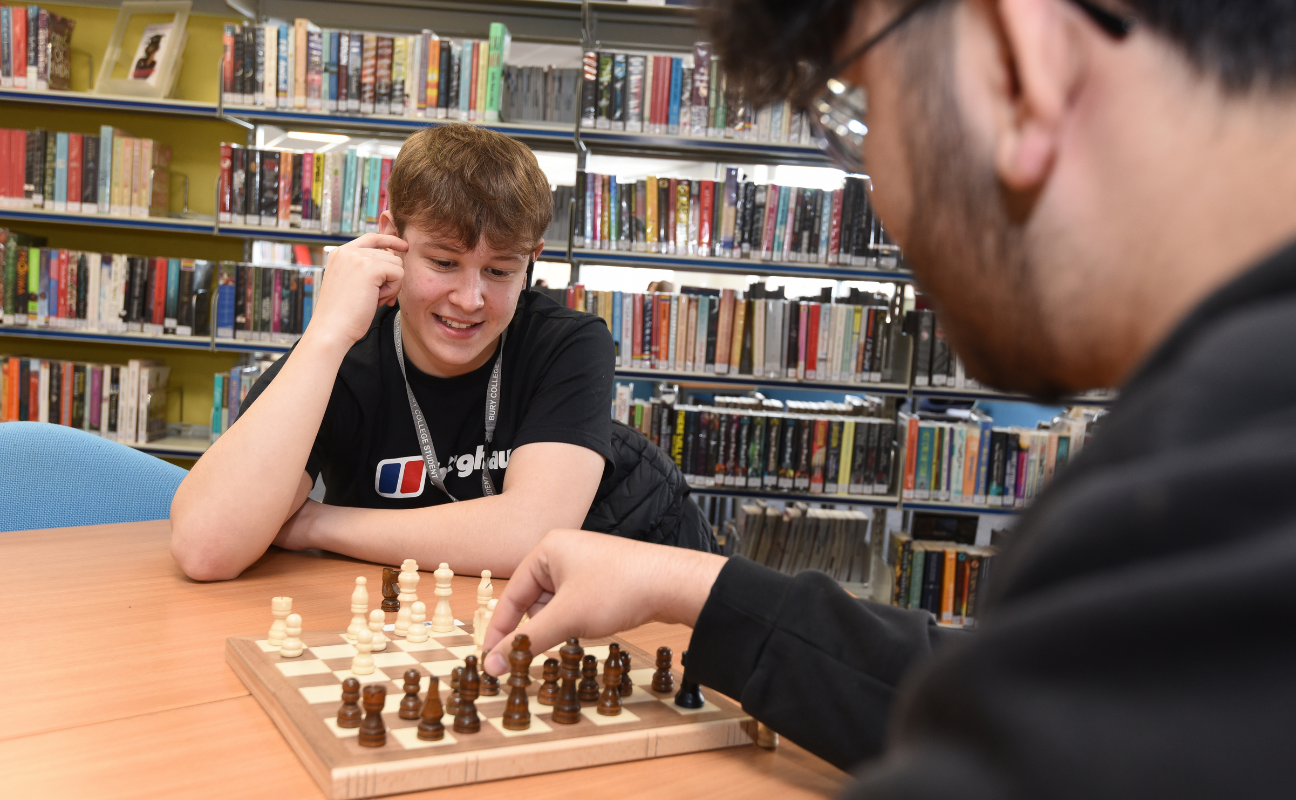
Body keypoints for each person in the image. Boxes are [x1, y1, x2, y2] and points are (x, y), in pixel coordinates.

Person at [485, 0, 1296, 796]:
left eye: (865, 112)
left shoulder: (1219, 496)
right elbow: (996, 700)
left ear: (1022, 65)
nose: (884, 205)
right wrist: (691, 584)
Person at [171, 125, 619, 581]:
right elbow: (206, 548)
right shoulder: (342, 353)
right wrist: (326, 333)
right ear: (391, 239)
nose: (470, 299)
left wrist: (314, 523)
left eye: (500, 271)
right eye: (443, 262)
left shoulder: (569, 345)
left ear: (532, 261)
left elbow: (531, 538)